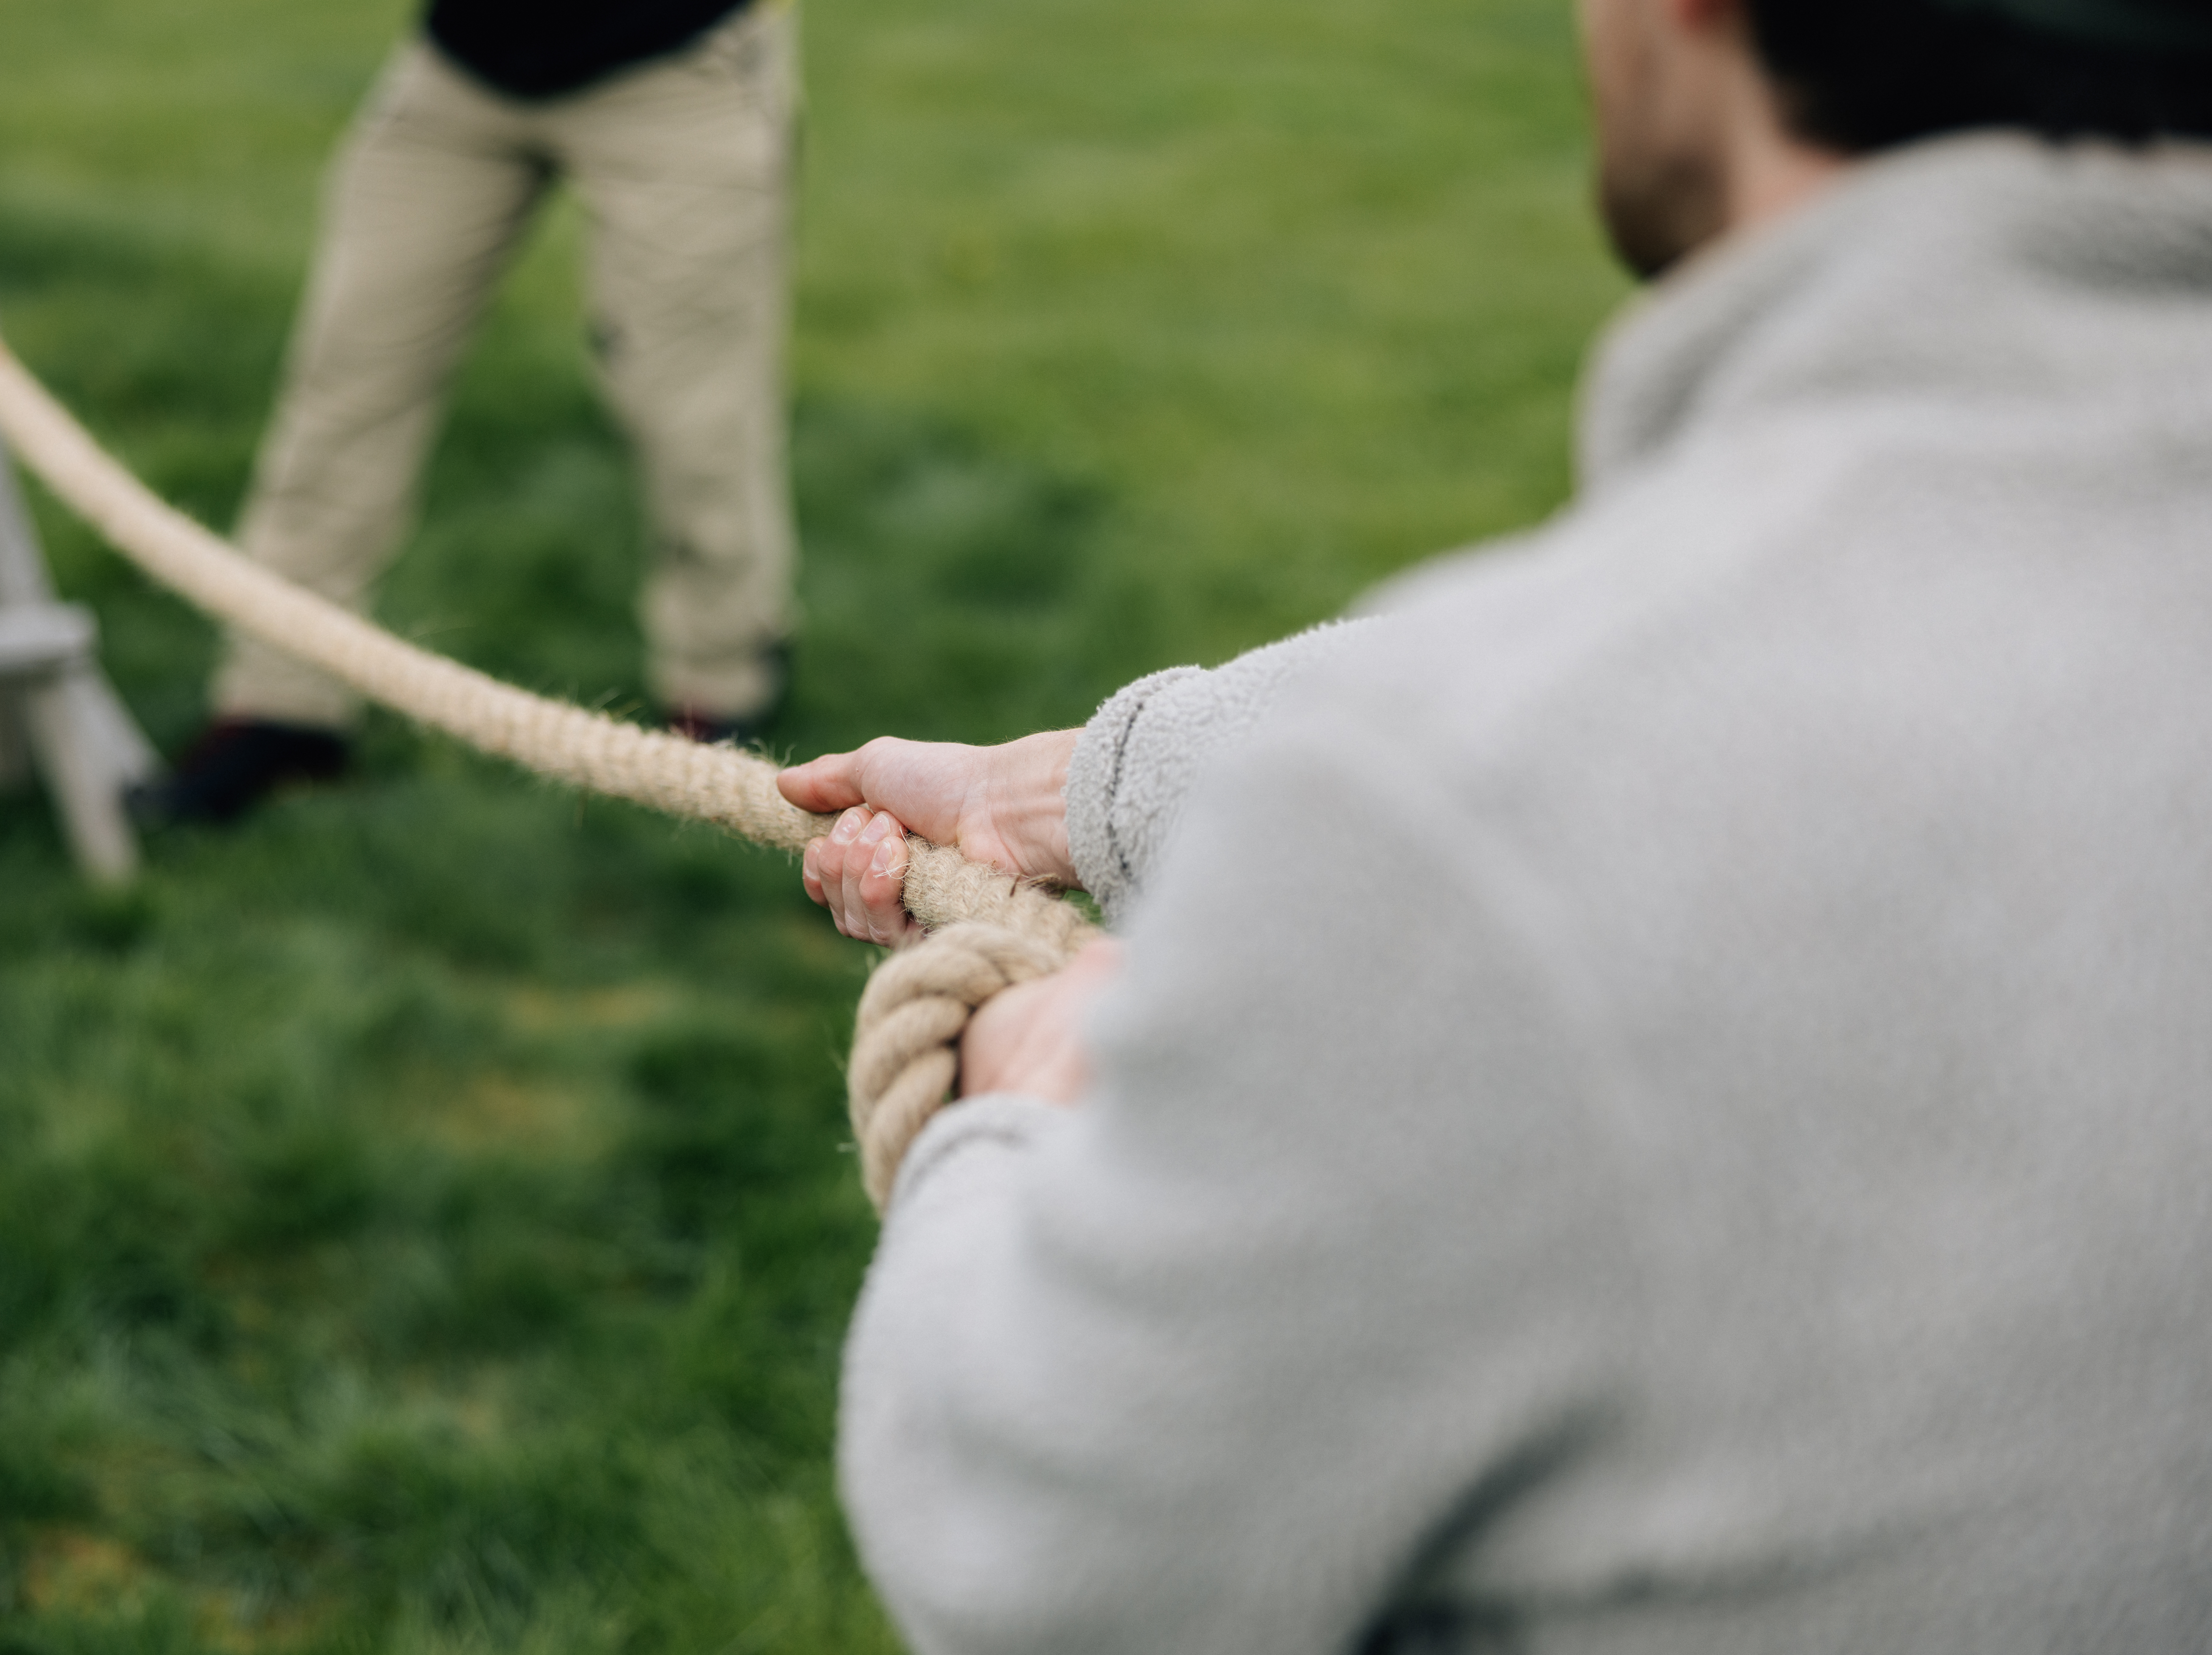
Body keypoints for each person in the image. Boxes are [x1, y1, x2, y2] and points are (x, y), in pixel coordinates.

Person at [775, 0, 2212, 1646]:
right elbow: (1885, 632)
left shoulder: (1455, 840)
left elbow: (1037, 1569)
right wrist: (1084, 790)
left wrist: (1015, 1108)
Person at [133, 0, 800, 826]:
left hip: (673, 62)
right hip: (462, 69)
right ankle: (281, 706)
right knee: (345, 390)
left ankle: (723, 680)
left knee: (692, 421)